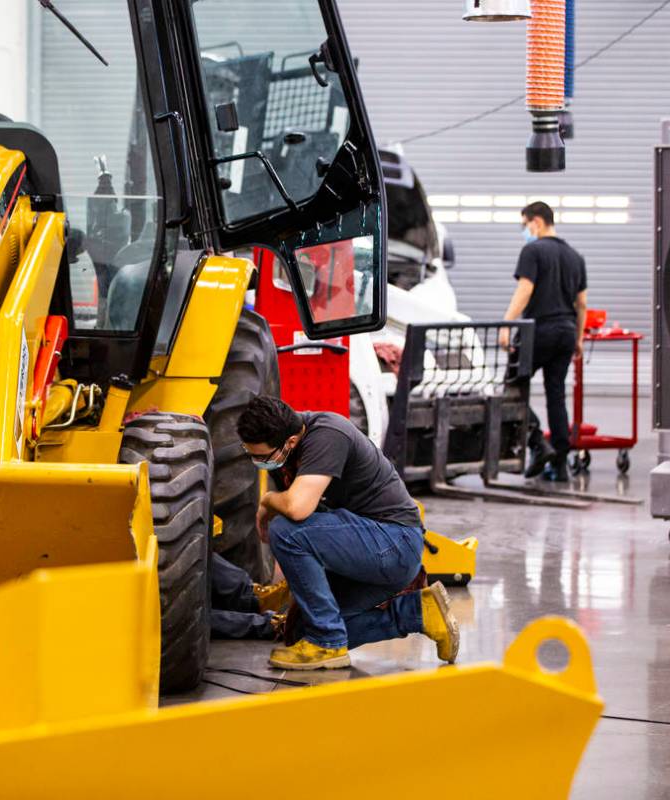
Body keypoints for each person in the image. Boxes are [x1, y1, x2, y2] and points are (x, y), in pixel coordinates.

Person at [236, 396, 458, 670]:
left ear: (290, 442)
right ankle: (418, 614)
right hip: (372, 547)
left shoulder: (328, 434)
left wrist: (268, 500)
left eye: (261, 457)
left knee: (286, 530)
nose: (257, 462)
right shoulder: (294, 445)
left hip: (393, 543)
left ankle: (327, 642)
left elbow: (297, 508)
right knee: (299, 633)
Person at [500, 201, 588, 483]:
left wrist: (507, 323)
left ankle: (538, 444)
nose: (525, 230)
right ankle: (560, 464)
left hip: (537, 331)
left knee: (512, 389)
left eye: (525, 224)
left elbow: (525, 289)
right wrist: (578, 338)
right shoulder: (575, 256)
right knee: (556, 395)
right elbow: (582, 304)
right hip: (565, 331)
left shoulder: (533, 250)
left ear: (536, 222)